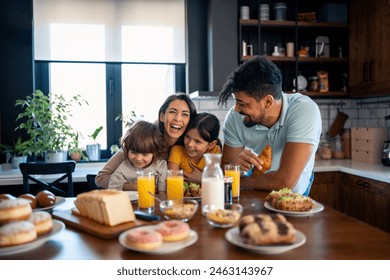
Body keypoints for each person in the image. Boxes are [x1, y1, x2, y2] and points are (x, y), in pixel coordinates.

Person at [218, 56, 322, 195]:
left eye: (242, 103)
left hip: (293, 194)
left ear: (267, 102)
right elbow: (226, 173)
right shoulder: (235, 117)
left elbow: (285, 182)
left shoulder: (304, 110)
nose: (236, 109)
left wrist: (239, 181)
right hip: (255, 187)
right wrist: (233, 167)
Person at [95, 93, 197, 188]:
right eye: (172, 112)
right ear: (162, 116)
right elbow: (101, 178)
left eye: (185, 114)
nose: (178, 119)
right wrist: (138, 186)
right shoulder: (143, 141)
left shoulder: (190, 149)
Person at [108, 120, 167, 191]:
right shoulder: (122, 170)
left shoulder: (161, 166)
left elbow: (163, 192)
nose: (138, 158)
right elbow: (113, 191)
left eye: (145, 154)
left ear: (155, 153)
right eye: (133, 152)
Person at [168, 112, 222, 183]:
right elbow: (172, 180)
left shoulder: (214, 152)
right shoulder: (177, 151)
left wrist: (201, 179)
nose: (190, 144)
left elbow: (216, 181)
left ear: (211, 144)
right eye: (187, 136)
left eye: (197, 141)